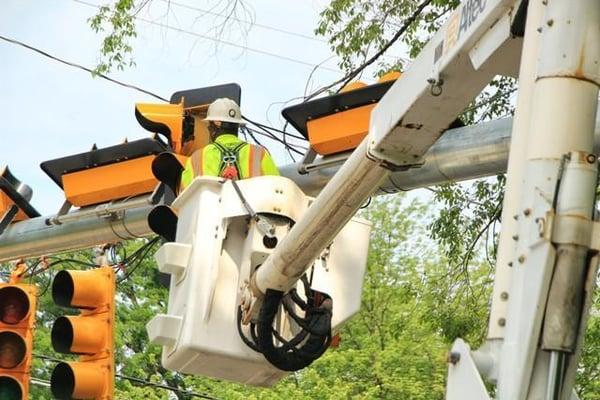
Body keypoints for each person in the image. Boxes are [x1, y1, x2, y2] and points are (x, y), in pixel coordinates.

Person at [180, 98, 279, 190]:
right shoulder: (259, 154)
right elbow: (278, 190)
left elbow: (184, 197)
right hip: (252, 208)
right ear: (237, 125)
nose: (208, 129)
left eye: (209, 125)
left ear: (216, 123)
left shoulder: (197, 158)